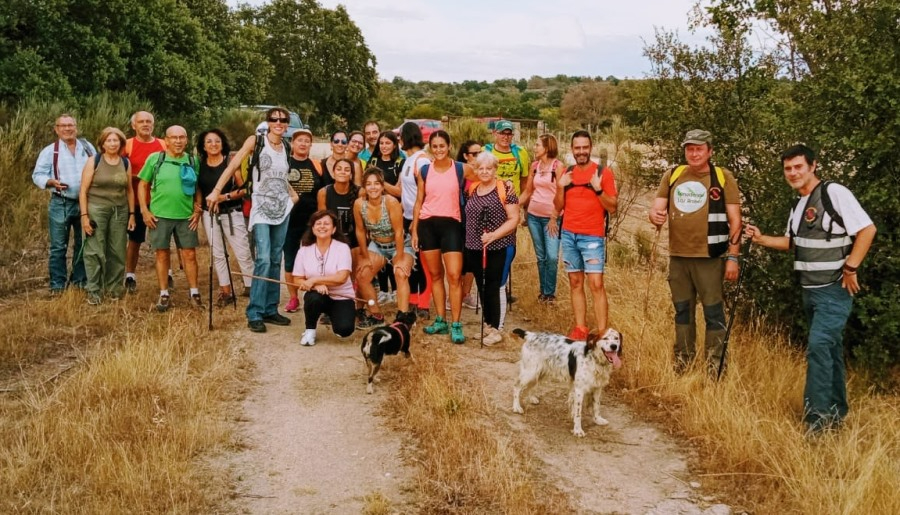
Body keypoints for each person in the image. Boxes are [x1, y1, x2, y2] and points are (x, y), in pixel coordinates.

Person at [744, 144, 876, 434]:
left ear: (813, 166)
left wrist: (851, 267)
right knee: (829, 350)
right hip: (809, 291)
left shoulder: (834, 193)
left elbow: (867, 230)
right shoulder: (798, 205)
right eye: (788, 169)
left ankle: (816, 424)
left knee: (818, 348)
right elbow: (791, 243)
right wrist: (760, 238)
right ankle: (836, 415)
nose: (793, 173)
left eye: (798, 167)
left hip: (833, 291)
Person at [648, 129, 742, 372]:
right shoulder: (673, 175)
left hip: (710, 257)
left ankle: (715, 368)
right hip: (678, 256)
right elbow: (656, 211)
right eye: (690, 148)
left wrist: (733, 257)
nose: (694, 153)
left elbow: (736, 221)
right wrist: (655, 216)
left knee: (713, 313)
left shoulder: (722, 177)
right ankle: (683, 365)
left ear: (710, 151)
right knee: (682, 311)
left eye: (699, 148)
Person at [207, 107, 299, 332]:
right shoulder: (256, 141)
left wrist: (292, 196)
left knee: (276, 260)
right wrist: (216, 191)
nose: (278, 122)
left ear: (287, 124)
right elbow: (233, 165)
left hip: (281, 210)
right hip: (261, 209)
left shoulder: (286, 147)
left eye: (283, 120)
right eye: (274, 119)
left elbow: (279, 177)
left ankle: (270, 309)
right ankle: (255, 312)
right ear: (267, 122)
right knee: (264, 259)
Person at [411, 130, 475, 344]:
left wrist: (505, 187)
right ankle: (441, 320)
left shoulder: (461, 168)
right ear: (430, 148)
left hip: (452, 225)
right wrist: (414, 230)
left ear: (449, 147)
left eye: (442, 146)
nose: (438, 150)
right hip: (428, 224)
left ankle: (456, 324)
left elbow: (484, 177)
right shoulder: (425, 171)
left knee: (454, 276)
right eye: (435, 146)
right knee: (436, 276)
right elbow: (419, 201)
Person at [554, 130, 618, 340]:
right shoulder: (566, 173)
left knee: (596, 284)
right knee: (575, 282)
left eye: (585, 147)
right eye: (577, 148)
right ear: (572, 149)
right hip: (569, 234)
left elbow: (613, 208)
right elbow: (558, 206)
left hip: (592, 237)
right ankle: (581, 329)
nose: (581, 151)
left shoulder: (602, 172)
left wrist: (599, 190)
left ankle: (602, 333)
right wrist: (561, 187)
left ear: (590, 148)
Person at [138, 126, 204, 312]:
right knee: (162, 254)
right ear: (166, 140)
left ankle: (194, 293)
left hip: (185, 216)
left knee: (190, 255)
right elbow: (143, 184)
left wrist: (197, 210)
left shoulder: (192, 160)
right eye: (173, 137)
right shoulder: (155, 159)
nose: (178, 141)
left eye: (182, 137)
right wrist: (144, 210)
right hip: (159, 216)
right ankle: (164, 294)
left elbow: (197, 187)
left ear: (186, 140)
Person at [32, 114, 95, 294]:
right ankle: (58, 286)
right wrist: (50, 182)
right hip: (61, 203)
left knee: (84, 243)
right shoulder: (50, 151)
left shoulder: (88, 147)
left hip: (85, 203)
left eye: (71, 125)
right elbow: (37, 175)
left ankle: (79, 281)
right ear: (56, 129)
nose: (67, 129)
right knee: (59, 246)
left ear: (76, 127)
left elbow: (97, 166)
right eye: (63, 126)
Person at [464, 152, 519, 346]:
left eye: (489, 168)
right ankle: (488, 325)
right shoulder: (473, 188)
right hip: (475, 247)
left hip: (499, 246)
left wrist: (494, 235)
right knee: (482, 286)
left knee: (494, 286)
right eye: (481, 168)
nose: (485, 172)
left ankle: (497, 329)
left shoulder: (506, 189)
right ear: (476, 170)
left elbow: (514, 219)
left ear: (495, 169)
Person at [196, 129, 255, 307]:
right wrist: (197, 206)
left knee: (243, 252)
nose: (213, 144)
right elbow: (198, 188)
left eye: (217, 141)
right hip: (210, 214)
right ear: (203, 146)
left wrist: (224, 197)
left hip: (231, 213)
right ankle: (226, 291)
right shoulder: (200, 164)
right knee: (218, 254)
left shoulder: (231, 163)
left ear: (223, 144)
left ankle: (252, 287)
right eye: (209, 141)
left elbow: (244, 190)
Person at [78, 127, 135, 304]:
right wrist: (84, 216)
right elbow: (83, 190)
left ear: (121, 143)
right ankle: (94, 290)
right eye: (108, 140)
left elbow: (129, 190)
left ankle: (114, 288)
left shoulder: (125, 162)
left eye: (116, 140)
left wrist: (132, 214)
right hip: (97, 209)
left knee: (117, 250)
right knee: (95, 250)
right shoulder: (93, 161)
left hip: (120, 210)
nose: (112, 143)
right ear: (102, 143)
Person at [354, 169, 416, 327]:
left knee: (400, 273)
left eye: (376, 183)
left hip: (399, 243)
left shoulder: (390, 202)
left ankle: (402, 316)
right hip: (377, 244)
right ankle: (376, 314)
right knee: (362, 276)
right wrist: (364, 256)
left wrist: (400, 258)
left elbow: (398, 232)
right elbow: (360, 231)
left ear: (382, 186)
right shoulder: (359, 204)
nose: (373, 188)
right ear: (364, 187)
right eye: (368, 184)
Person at [292, 210, 357, 346]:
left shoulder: (342, 248)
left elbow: (342, 278)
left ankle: (334, 315)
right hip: (318, 295)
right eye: (318, 223)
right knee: (313, 297)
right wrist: (315, 286)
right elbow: (297, 279)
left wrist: (315, 280)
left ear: (333, 229)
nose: (322, 226)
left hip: (341, 296)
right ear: (313, 228)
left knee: (344, 330)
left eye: (326, 224)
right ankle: (310, 330)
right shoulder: (304, 250)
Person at [485, 119, 531, 308]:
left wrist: (517, 204)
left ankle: (501, 286)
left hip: (511, 208)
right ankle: (490, 285)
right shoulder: (486, 152)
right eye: (502, 133)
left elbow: (526, 181)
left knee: (508, 248)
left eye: (508, 133)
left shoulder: (520, 153)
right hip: (489, 206)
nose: (505, 137)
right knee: (489, 246)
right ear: (495, 134)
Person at [123, 111, 168, 293]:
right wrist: (141, 177)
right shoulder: (127, 145)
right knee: (135, 240)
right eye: (141, 122)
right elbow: (119, 170)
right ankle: (130, 275)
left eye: (148, 121)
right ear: (134, 126)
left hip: (160, 201)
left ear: (153, 125)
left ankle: (168, 273)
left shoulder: (163, 145)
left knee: (163, 241)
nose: (145, 124)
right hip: (135, 201)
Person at [283, 128, 325, 313]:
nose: (303, 143)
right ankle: (293, 298)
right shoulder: (284, 163)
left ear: (310, 144)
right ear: (293, 143)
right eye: (299, 140)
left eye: (306, 141)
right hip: (289, 220)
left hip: (312, 222)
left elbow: (323, 192)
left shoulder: (316, 165)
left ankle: (316, 295)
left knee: (316, 259)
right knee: (290, 260)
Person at [519, 133, 564, 303]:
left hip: (551, 218)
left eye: (537, 145)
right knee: (541, 256)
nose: (534, 147)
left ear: (547, 147)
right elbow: (528, 191)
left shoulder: (558, 167)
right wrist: (514, 206)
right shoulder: (535, 166)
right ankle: (543, 292)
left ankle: (550, 293)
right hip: (534, 216)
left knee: (552, 256)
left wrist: (554, 216)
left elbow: (561, 194)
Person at [398, 121, 433, 319]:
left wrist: (417, 221)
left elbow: (426, 193)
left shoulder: (422, 161)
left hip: (420, 219)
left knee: (424, 263)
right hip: (407, 217)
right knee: (411, 262)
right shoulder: (408, 160)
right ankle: (412, 300)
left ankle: (424, 304)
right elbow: (406, 193)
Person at [453, 140, 483, 310]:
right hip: (461, 221)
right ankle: (455, 295)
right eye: (474, 153)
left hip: (478, 222)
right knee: (459, 260)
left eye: (480, 152)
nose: (478, 156)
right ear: (465, 156)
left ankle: (466, 294)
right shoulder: (460, 173)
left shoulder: (483, 172)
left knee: (472, 260)